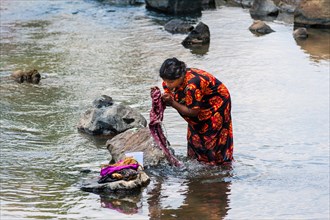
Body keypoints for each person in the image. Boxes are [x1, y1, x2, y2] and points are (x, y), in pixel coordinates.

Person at [159, 57, 234, 165]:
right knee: (194, 134)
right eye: (164, 80)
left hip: (217, 104)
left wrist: (173, 103)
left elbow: (193, 112)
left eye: (170, 81)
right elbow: (177, 98)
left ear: (180, 76)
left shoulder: (192, 85)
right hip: (199, 102)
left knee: (211, 135)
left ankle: (216, 166)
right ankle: (196, 161)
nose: (167, 84)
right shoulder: (173, 82)